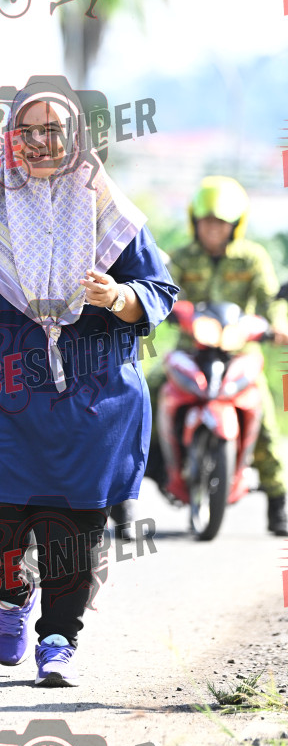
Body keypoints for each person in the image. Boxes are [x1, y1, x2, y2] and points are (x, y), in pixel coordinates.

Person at [0, 76, 177, 686]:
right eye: (27, 130)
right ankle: (12, 594)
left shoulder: (109, 207)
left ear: (77, 136)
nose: (39, 141)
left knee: (74, 525)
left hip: (89, 398)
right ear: (9, 137)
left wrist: (117, 296)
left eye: (53, 130)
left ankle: (59, 638)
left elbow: (158, 291)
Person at [146, 176, 288, 536]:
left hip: (240, 353)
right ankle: (130, 487)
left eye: (221, 223)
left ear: (235, 225)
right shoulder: (182, 257)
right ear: (195, 221)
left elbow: (271, 299)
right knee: (143, 397)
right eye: (207, 221)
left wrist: (278, 325)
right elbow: (163, 291)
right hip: (189, 352)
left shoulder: (252, 258)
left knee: (264, 417)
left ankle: (278, 504)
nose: (214, 229)